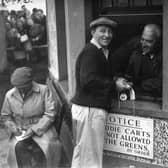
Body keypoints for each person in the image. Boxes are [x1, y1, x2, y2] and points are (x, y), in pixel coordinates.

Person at [71, 17, 129, 168]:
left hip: (87, 108)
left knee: (82, 154)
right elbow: (88, 80)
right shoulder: (91, 52)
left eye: (110, 31)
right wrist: (114, 84)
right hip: (90, 109)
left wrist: (115, 78)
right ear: (92, 32)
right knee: (91, 158)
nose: (107, 35)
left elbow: (96, 76)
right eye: (102, 31)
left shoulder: (99, 51)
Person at [1, 67, 60, 168]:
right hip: (21, 130)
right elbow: (6, 116)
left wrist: (34, 129)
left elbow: (50, 114)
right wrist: (14, 128)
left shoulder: (43, 90)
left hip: (42, 128)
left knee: (49, 146)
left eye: (23, 87)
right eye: (17, 87)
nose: (20, 90)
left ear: (31, 83)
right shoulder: (9, 95)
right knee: (18, 147)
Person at [112, 24, 162, 97]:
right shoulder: (135, 45)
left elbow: (161, 83)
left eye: (149, 41)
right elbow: (115, 60)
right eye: (142, 39)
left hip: (152, 98)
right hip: (129, 94)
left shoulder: (164, 55)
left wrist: (137, 84)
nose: (143, 44)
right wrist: (118, 78)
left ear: (158, 42)